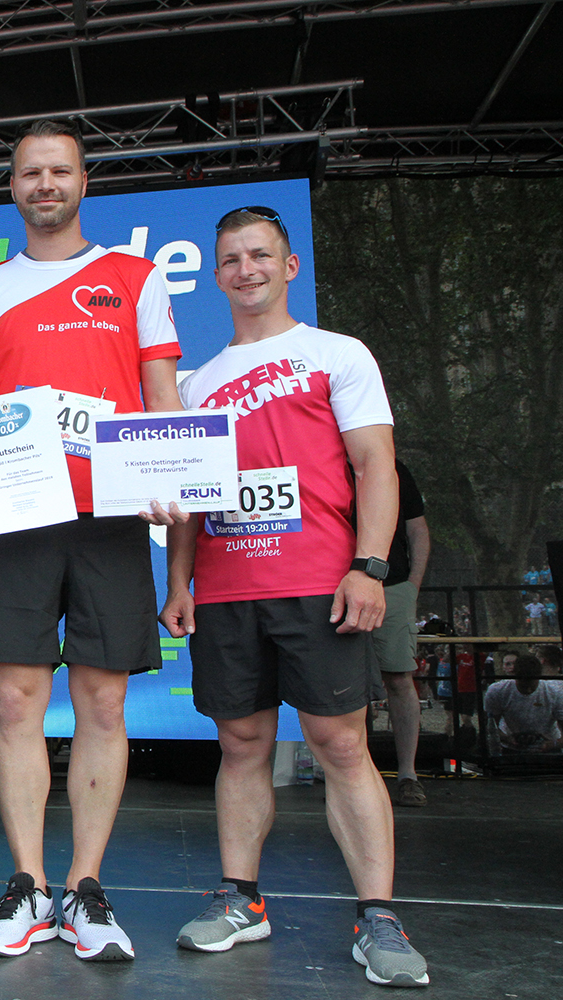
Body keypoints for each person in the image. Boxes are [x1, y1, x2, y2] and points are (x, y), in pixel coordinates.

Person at [160, 206, 428, 987]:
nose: (246, 270)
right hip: (227, 589)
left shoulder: (336, 354)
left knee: (341, 746)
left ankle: (378, 915)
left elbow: (375, 465)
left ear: (289, 266)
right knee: (241, 745)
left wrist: (370, 567)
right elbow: (186, 492)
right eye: (232, 260)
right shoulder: (195, 381)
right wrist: (178, 583)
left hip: (320, 582)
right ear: (216, 276)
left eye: (260, 256)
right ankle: (241, 899)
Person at [0, 117, 186, 962]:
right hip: (16, 517)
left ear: (85, 182)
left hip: (112, 519)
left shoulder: (135, 277)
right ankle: (27, 887)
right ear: (11, 187)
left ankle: (84, 889)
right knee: (15, 702)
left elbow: (164, 405)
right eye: (30, 173)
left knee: (104, 704)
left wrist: (173, 484)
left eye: (60, 171)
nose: (45, 185)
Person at [372, 460, 431, 806]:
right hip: (331, 587)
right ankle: (356, 774)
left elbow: (417, 529)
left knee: (398, 679)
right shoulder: (319, 460)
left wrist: (412, 586)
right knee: (348, 685)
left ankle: (408, 774)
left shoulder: (393, 468)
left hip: (392, 585)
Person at [484, 653, 563, 753]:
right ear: (514, 675)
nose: (528, 690)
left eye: (532, 686)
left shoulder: (555, 692)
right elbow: (489, 726)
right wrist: (507, 739)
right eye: (523, 686)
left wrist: (551, 744)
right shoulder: (497, 691)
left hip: (548, 747)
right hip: (510, 748)